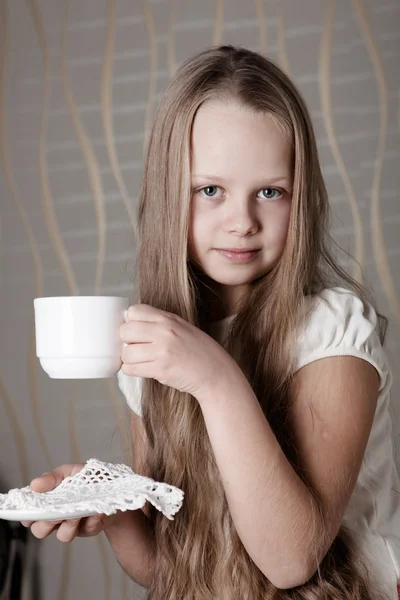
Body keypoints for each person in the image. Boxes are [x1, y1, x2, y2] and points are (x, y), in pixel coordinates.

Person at [21, 45, 399, 600]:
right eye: (210, 190)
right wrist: (115, 507)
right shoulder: (157, 352)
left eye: (270, 192)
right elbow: (174, 569)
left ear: (303, 198)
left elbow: (292, 560)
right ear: (171, 195)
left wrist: (215, 378)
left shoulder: (334, 331)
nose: (241, 221)